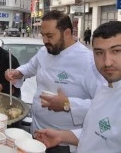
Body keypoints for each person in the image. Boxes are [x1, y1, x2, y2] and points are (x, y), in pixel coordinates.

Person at [5, 10, 104, 153]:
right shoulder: (45, 51)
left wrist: (67, 104)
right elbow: (31, 67)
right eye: (43, 35)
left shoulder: (88, 62)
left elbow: (103, 105)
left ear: (67, 33)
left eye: (50, 36)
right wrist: (18, 73)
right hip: (37, 132)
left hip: (63, 143)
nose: (45, 40)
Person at [34, 21, 121, 153]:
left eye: (116, 51)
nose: (107, 62)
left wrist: (67, 104)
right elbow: (97, 133)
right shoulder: (106, 90)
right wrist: (61, 136)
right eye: (99, 52)